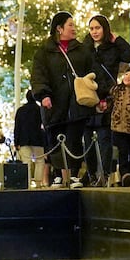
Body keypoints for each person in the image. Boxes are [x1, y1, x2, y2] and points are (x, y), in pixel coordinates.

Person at [31, 12, 102, 189]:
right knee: (54, 139)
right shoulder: (44, 52)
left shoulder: (82, 50)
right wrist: (43, 95)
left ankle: (74, 175)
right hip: (54, 104)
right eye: (70, 25)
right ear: (59, 28)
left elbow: (94, 71)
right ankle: (57, 175)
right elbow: (38, 76)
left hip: (77, 103)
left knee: (75, 139)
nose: (74, 28)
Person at [84, 15, 130, 185]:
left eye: (98, 28)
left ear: (105, 29)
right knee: (86, 138)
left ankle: (104, 174)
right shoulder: (85, 47)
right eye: (92, 28)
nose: (94, 32)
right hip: (88, 97)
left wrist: (118, 39)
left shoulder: (113, 47)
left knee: (105, 137)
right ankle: (90, 173)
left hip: (108, 97)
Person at [13, 90, 48, 187]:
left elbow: (17, 127)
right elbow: (44, 125)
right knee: (40, 161)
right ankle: (38, 183)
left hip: (23, 140)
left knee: (26, 162)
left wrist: (16, 142)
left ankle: (27, 183)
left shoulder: (20, 110)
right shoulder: (40, 110)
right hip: (38, 139)